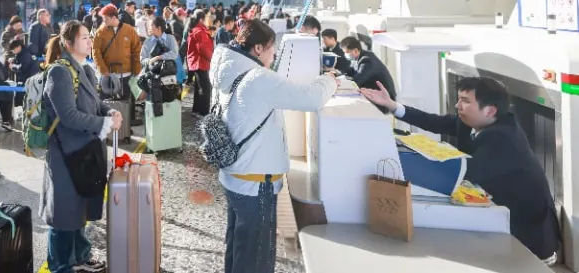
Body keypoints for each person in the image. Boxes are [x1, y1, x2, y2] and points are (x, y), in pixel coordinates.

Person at [360, 77, 561, 264]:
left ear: (490, 110)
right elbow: (434, 122)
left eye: (465, 101)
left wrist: (416, 163)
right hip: (501, 215)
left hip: (528, 232)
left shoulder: (502, 137)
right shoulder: (473, 122)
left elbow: (465, 174)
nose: (458, 106)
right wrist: (392, 106)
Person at [212, 20, 337, 273]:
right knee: (256, 258)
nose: (275, 55)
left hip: (234, 176)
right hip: (255, 182)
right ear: (258, 48)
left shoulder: (226, 68)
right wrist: (329, 80)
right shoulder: (258, 78)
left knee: (239, 246)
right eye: (272, 49)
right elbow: (311, 98)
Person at [41, 21, 121, 273]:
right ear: (68, 44)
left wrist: (108, 112)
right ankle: (61, 265)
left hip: (83, 152)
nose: (90, 41)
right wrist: (103, 123)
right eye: (84, 37)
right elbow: (68, 116)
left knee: (79, 210)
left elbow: (94, 103)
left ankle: (80, 258)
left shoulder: (84, 69)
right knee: (64, 215)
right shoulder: (59, 73)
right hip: (66, 155)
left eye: (89, 36)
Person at [92, 5, 142, 123]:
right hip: (108, 76)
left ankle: (126, 128)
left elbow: (137, 50)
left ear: (113, 17)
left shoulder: (129, 30)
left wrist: (136, 70)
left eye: (105, 18)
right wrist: (104, 71)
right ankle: (108, 128)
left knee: (127, 103)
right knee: (107, 104)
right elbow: (96, 52)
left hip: (126, 74)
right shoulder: (100, 32)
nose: (103, 21)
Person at [339, 36, 396, 102]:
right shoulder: (358, 57)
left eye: (346, 52)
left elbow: (357, 80)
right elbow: (350, 71)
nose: (345, 54)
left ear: (355, 51)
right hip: (373, 93)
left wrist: (340, 82)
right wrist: (337, 73)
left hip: (385, 98)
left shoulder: (366, 60)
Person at [186, 10, 214, 116]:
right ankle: (203, 113)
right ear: (202, 19)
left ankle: (196, 110)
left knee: (199, 87)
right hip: (201, 62)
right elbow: (204, 49)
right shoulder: (200, 32)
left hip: (196, 62)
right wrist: (212, 58)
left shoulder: (196, 30)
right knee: (205, 89)